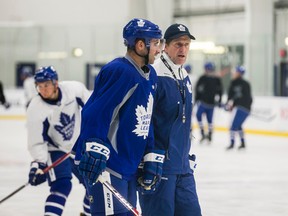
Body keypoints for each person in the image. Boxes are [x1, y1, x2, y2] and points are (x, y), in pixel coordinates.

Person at [72, 18, 165, 215]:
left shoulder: (150, 76)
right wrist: (95, 147)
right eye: (156, 43)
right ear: (141, 45)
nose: (159, 49)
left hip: (128, 166)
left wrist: (149, 154)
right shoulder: (120, 71)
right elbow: (96, 112)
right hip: (108, 165)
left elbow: (145, 119)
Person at [138, 23, 202, 216]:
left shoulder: (184, 75)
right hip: (158, 167)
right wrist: (146, 160)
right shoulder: (153, 74)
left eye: (187, 44)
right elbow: (143, 120)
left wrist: (185, 155)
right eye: (178, 44)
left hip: (183, 167)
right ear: (165, 46)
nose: (183, 49)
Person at [26, 66, 91, 216]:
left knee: (93, 184)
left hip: (78, 146)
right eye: (39, 86)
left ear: (56, 83)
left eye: (46, 85)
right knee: (61, 185)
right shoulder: (36, 108)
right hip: (56, 149)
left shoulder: (74, 89)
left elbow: (92, 111)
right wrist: (38, 163)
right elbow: (37, 141)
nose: (43, 89)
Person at [194, 62, 223, 144]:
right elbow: (197, 90)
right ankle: (203, 133)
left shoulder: (216, 79)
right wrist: (197, 100)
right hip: (203, 102)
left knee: (209, 120)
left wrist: (219, 101)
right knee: (199, 116)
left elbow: (220, 91)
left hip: (210, 104)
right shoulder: (202, 78)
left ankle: (209, 134)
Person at [225, 65, 253, 150]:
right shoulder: (236, 83)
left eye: (236, 72)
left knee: (234, 126)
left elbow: (247, 98)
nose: (234, 73)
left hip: (243, 108)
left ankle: (232, 143)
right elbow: (231, 96)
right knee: (239, 125)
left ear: (239, 73)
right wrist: (231, 104)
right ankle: (243, 143)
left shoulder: (242, 84)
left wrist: (232, 104)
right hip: (243, 108)